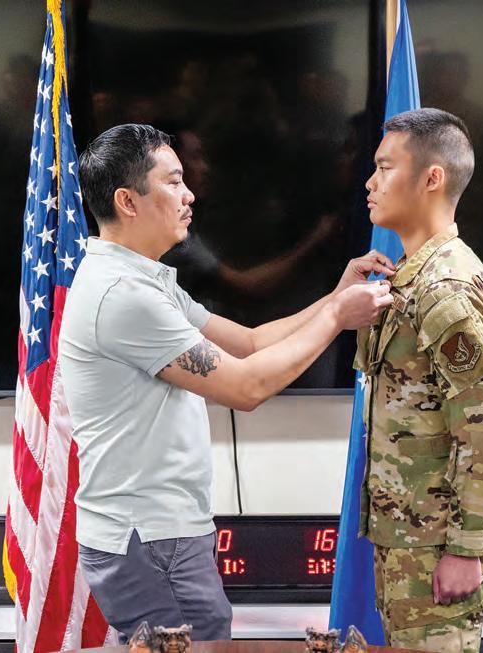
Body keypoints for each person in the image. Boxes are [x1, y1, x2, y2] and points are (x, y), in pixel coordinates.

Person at [58, 123, 395, 641]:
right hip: (150, 538)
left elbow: (251, 343)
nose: (189, 194)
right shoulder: (123, 295)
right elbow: (245, 387)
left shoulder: (142, 280)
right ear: (127, 201)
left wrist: (335, 297)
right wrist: (337, 319)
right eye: (173, 182)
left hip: (159, 535)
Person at [356, 108, 483, 653]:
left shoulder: (446, 289)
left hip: (438, 538)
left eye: (385, 167)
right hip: (410, 531)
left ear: (432, 178)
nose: (370, 182)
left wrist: (466, 548)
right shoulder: (410, 276)